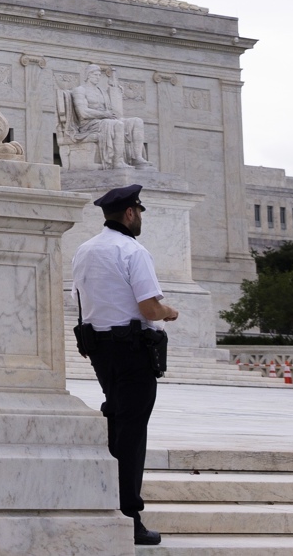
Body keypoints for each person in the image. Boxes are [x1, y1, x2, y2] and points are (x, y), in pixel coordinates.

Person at [71, 184, 176, 546]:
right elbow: (149, 309)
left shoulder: (84, 251)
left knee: (117, 428)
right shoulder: (132, 250)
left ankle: (107, 505)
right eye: (140, 211)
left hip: (101, 351)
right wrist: (169, 311)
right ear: (130, 213)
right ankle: (129, 518)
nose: (141, 217)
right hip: (133, 352)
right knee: (131, 435)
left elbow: (81, 300)